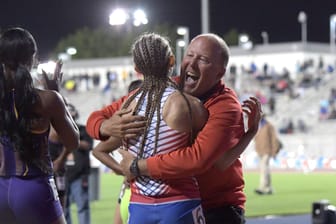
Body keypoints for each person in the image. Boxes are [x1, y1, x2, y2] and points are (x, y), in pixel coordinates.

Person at [87, 33, 262, 224]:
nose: (192, 64)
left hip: (216, 208)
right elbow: (95, 119)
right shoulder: (159, 89)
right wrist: (105, 126)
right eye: (189, 55)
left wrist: (137, 166)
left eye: (203, 59)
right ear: (176, 59)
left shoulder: (225, 106)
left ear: (220, 73)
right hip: (171, 203)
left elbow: (198, 159)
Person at [92, 33, 209, 224]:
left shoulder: (127, 107)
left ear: (137, 69)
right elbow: (203, 155)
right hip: (181, 202)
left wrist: (125, 169)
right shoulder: (190, 105)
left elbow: (101, 147)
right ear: (171, 60)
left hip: (139, 207)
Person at [0, 27, 79, 224]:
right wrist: (57, 93)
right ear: (33, 58)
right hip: (33, 185)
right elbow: (73, 140)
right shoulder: (47, 99)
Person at [113, 79, 143, 224]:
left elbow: (99, 150)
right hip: (135, 192)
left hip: (132, 191)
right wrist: (124, 171)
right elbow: (99, 150)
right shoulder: (128, 127)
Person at [64, 103, 93, 224]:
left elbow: (88, 145)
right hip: (63, 174)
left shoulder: (83, 130)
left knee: (82, 206)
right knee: (63, 208)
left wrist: (72, 138)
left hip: (79, 175)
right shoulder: (58, 131)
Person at [254, 114, 280, 195]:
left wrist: (275, 150)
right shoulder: (257, 126)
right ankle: (269, 188)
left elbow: (274, 138)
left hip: (267, 150)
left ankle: (262, 187)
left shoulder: (269, 126)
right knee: (266, 168)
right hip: (260, 150)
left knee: (264, 168)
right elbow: (255, 138)